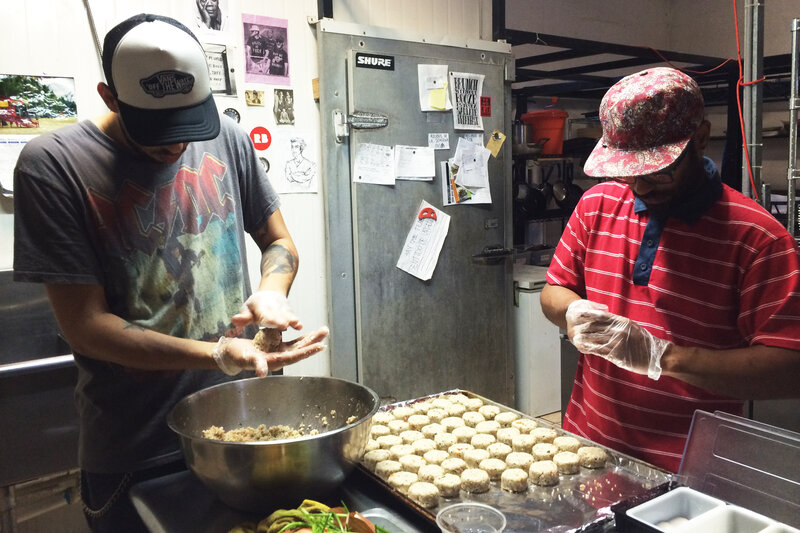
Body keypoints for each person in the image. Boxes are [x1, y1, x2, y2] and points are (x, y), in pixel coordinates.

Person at [12, 13, 329, 532]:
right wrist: (218, 354)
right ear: (109, 96)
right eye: (159, 131)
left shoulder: (227, 138)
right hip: (137, 447)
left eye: (189, 123)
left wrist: (272, 292)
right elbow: (85, 326)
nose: (177, 144)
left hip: (242, 426)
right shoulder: (54, 165)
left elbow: (277, 241)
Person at [540, 67, 800, 473]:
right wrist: (573, 311)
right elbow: (554, 291)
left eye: (657, 171)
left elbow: (789, 371)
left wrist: (665, 358)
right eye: (628, 173)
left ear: (700, 139)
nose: (641, 187)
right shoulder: (598, 205)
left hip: (691, 472)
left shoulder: (757, 238)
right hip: (587, 449)